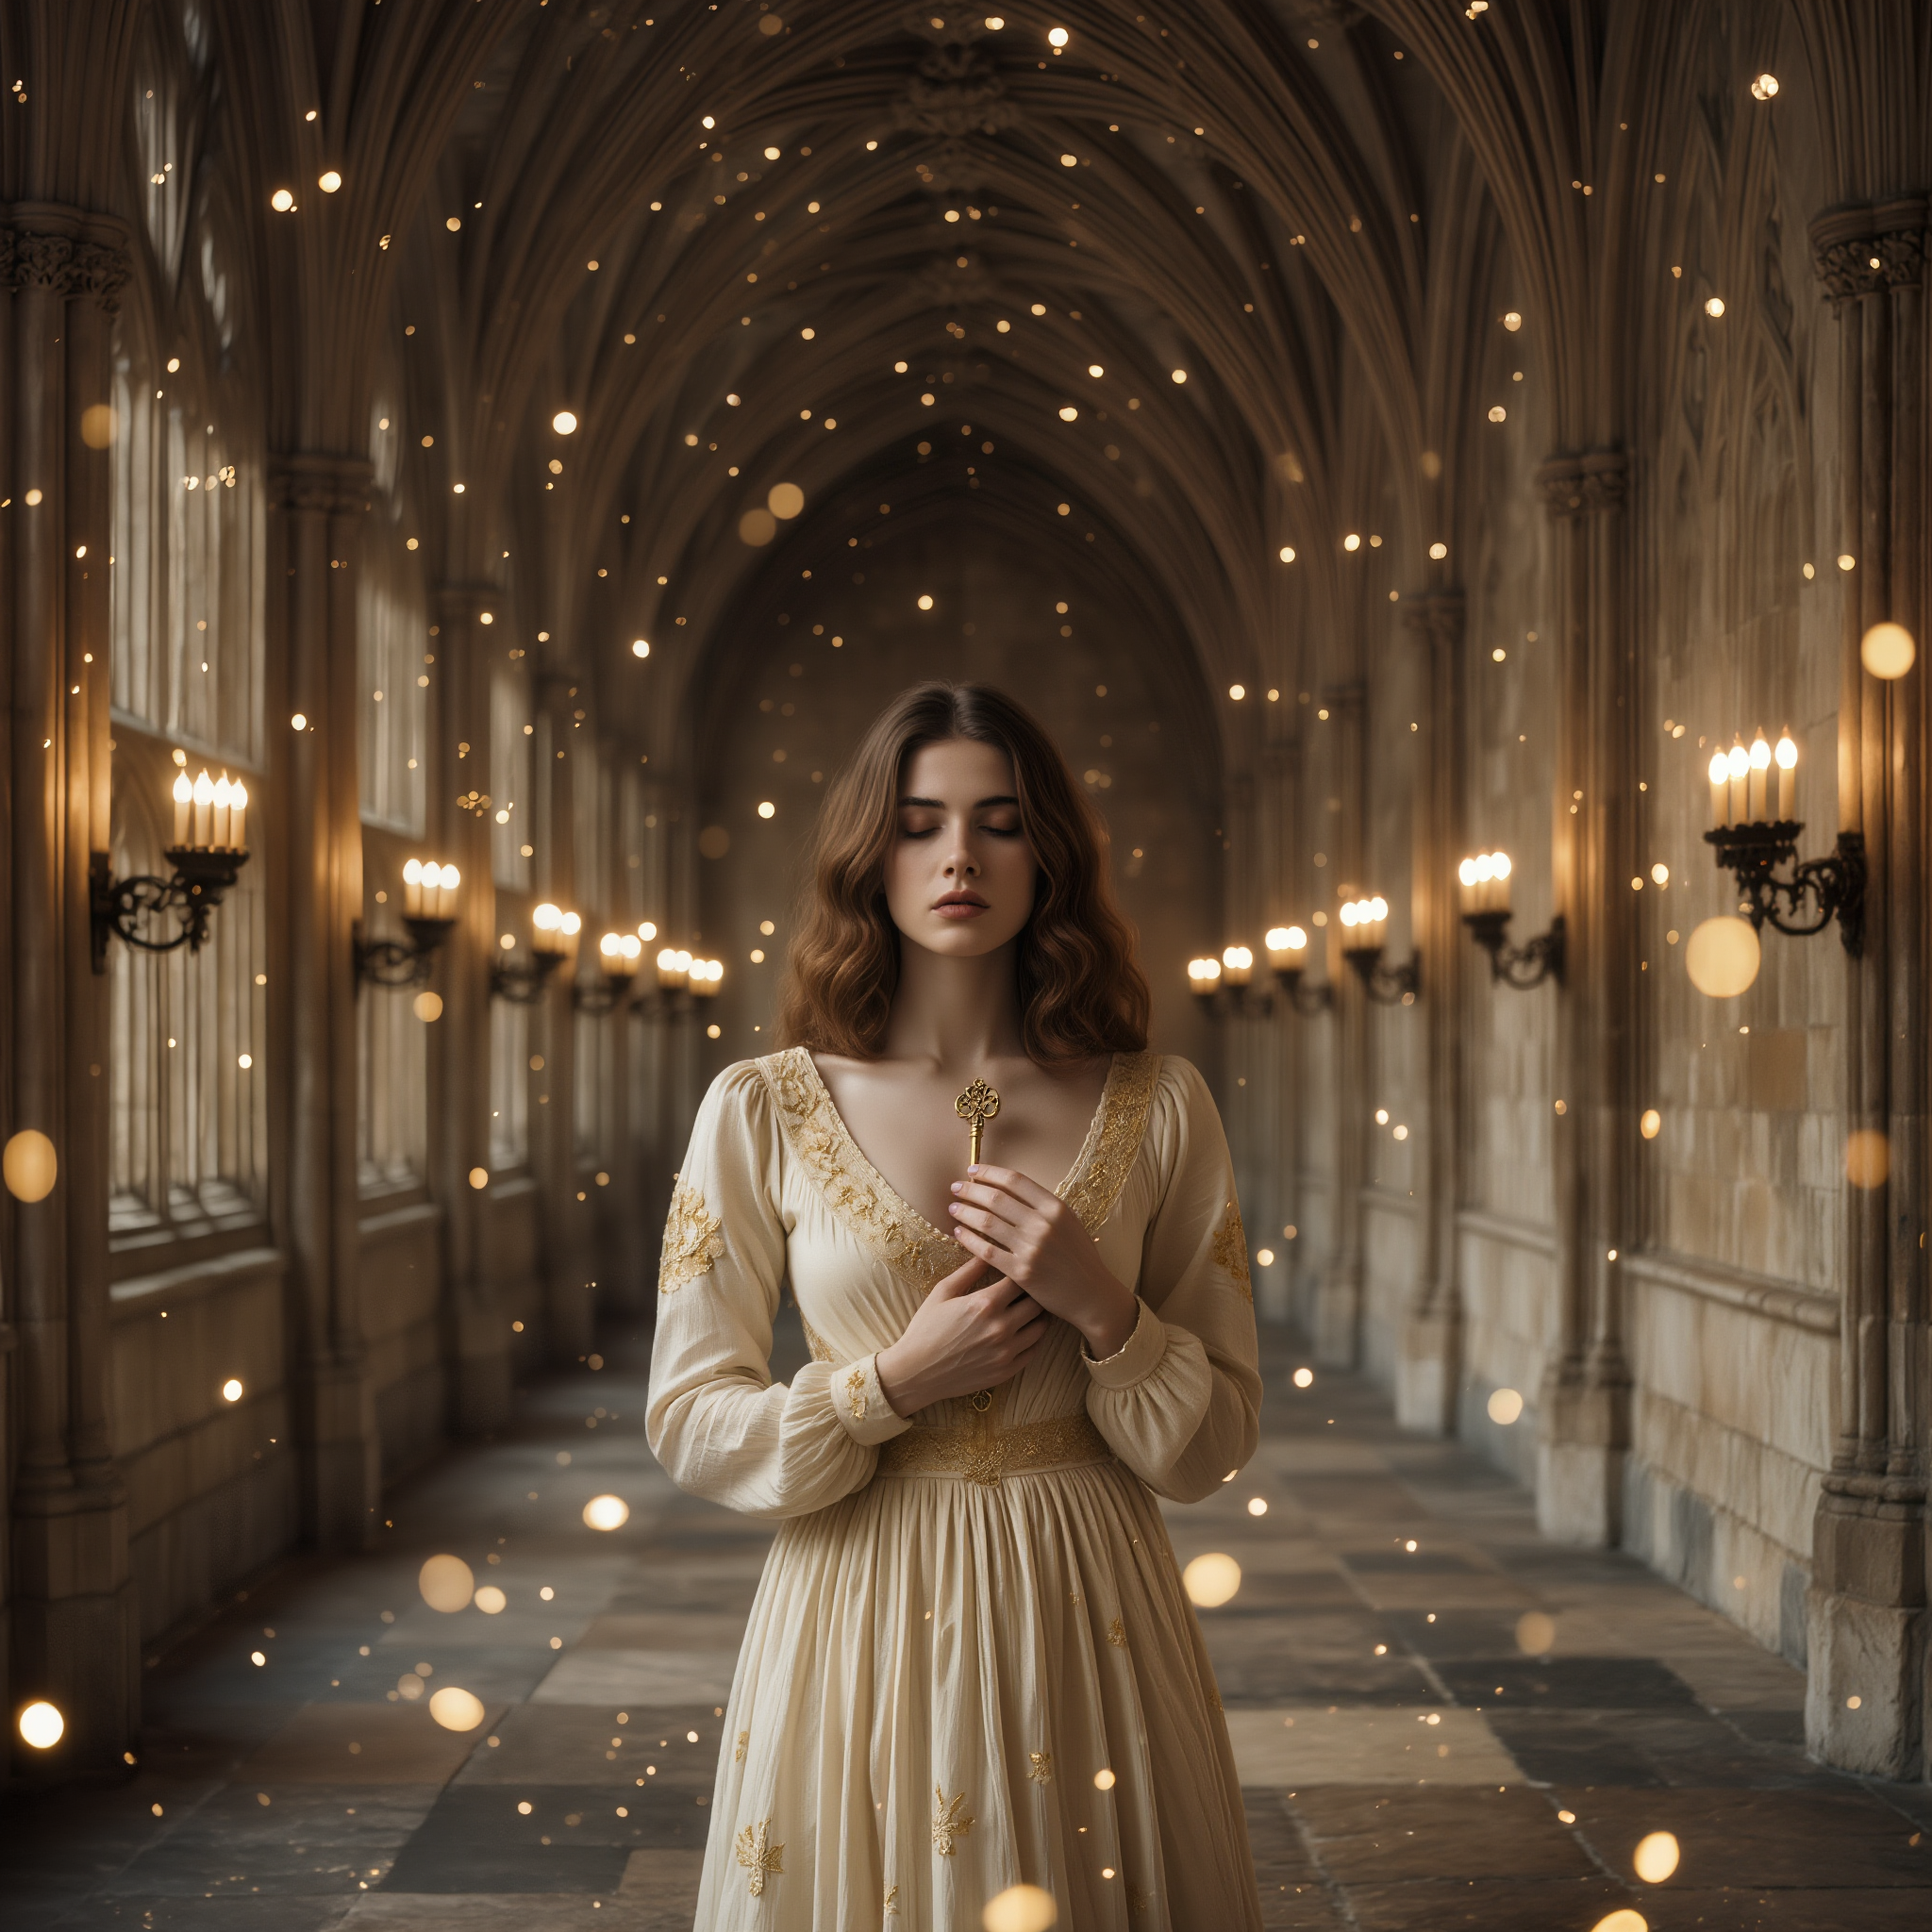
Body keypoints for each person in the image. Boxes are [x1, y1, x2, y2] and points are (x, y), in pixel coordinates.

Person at [646, 681, 1263, 1929]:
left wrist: (1105, 1310)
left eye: (999, 821)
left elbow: (1212, 1446)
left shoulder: (1165, 1104)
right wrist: (885, 1389)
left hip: (1085, 1601)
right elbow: (689, 1420)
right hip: (854, 1601)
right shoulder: (758, 1107)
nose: (960, 858)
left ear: (1052, 855)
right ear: (871, 856)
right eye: (921, 823)